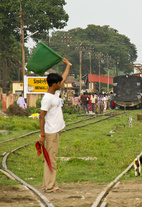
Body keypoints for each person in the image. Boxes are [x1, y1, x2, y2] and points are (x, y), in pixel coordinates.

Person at [38, 58, 71, 193]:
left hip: (55, 131)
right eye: (58, 83)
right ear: (53, 84)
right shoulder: (47, 99)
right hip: (50, 132)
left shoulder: (55, 93)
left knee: (50, 159)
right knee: (52, 160)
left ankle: (47, 185)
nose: (61, 84)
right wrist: (42, 135)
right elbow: (41, 116)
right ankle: (50, 186)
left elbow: (63, 78)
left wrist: (68, 65)